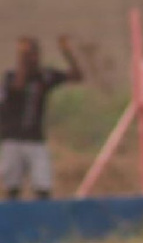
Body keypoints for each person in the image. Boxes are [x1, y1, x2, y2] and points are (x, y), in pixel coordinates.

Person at [0, 36, 83, 200]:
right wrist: (22, 59)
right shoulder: (11, 77)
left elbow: (76, 76)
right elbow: (17, 87)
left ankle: (44, 220)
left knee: (43, 184)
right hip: (13, 139)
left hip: (35, 139)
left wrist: (67, 53)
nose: (32, 59)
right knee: (12, 186)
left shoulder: (44, 77)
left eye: (34, 54)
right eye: (28, 55)